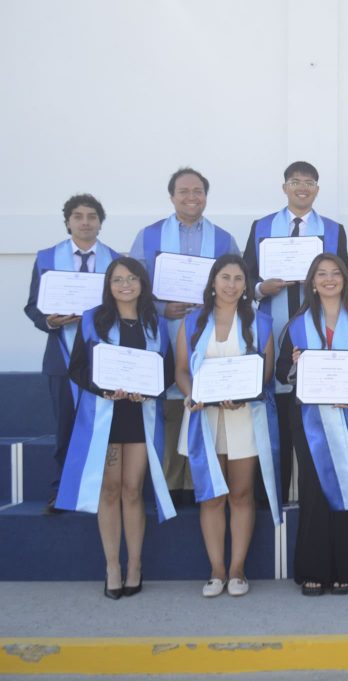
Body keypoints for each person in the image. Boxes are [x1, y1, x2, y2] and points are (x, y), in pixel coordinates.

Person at [56, 257, 175, 599]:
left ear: (142, 283)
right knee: (109, 490)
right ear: (108, 285)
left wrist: (148, 390)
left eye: (132, 278)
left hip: (139, 415)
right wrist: (103, 389)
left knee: (132, 490)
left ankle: (135, 564)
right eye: (118, 279)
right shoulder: (93, 319)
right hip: (105, 415)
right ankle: (112, 566)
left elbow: (166, 371)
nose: (126, 285)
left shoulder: (155, 321)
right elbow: (77, 368)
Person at [130, 168, 240, 507]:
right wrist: (162, 308)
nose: (192, 197)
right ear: (172, 196)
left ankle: (198, 483)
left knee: (203, 403)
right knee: (169, 409)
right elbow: (131, 287)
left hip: (210, 337)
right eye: (184, 191)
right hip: (162, 334)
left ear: (206, 196)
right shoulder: (148, 236)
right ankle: (170, 484)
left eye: (198, 191)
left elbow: (237, 284)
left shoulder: (224, 239)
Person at [243, 161, 348, 503]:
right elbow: (246, 276)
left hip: (318, 329)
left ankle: (313, 494)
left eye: (309, 182)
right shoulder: (262, 227)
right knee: (279, 409)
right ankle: (274, 495)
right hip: (272, 327)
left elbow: (343, 278)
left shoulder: (333, 230)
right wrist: (260, 288)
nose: (302, 187)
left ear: (317, 189)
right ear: (284, 187)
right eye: (295, 181)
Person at [174, 255, 278, 598]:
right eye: (225, 277)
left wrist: (244, 394)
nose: (231, 285)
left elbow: (264, 374)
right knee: (212, 495)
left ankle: (237, 570)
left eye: (238, 279)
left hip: (243, 416)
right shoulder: (192, 321)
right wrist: (194, 394)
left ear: (246, 285)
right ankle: (216, 570)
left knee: (241, 494)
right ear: (213, 282)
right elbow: (181, 370)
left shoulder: (261, 322)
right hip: (203, 417)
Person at [276, 254, 348, 596]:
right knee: (315, 490)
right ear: (312, 282)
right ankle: (314, 569)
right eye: (321, 274)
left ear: (345, 280)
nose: (329, 279)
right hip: (311, 421)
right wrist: (295, 364)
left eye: (336, 273)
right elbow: (281, 373)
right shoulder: (296, 325)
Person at [24, 194, 119, 514]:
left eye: (92, 216)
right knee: (65, 427)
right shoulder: (47, 258)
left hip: (103, 358)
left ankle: (104, 490)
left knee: (104, 427)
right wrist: (50, 321)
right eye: (78, 216)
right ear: (68, 222)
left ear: (101, 222)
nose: (85, 222)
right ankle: (63, 491)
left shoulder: (115, 260)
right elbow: (33, 306)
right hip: (61, 358)